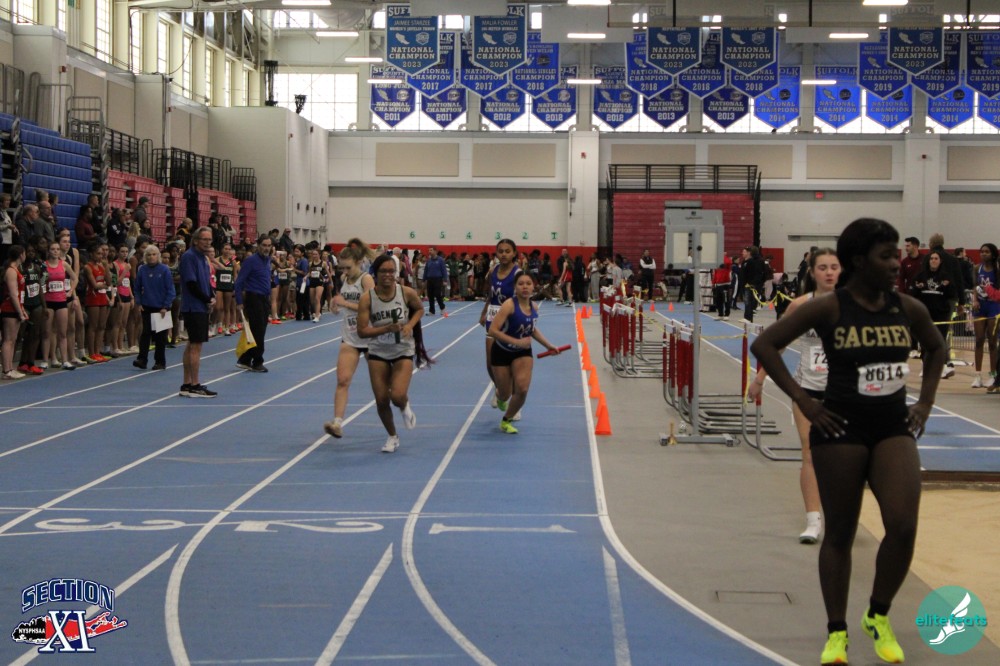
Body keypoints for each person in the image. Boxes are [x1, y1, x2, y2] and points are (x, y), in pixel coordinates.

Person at [751, 218, 945, 666]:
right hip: (840, 429)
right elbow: (765, 345)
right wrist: (805, 400)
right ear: (859, 260)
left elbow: (936, 349)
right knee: (840, 533)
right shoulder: (829, 309)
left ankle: (877, 614)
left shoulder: (907, 308)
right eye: (886, 256)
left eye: (897, 255)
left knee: (903, 526)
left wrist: (926, 402)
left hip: (892, 426)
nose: (896, 263)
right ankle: (836, 632)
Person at [748, 248, 841, 544]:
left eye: (834, 267)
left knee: (842, 456)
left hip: (843, 392)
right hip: (807, 390)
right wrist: (760, 378)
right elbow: (778, 344)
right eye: (823, 267)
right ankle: (813, 520)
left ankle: (840, 516)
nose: (829, 272)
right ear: (812, 273)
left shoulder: (853, 305)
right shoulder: (800, 306)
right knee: (810, 452)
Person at [356, 254, 429, 453]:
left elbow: (419, 309)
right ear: (375, 273)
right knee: (381, 399)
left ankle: (404, 405)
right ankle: (392, 436)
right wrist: (386, 329)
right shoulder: (367, 298)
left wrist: (410, 325)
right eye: (383, 271)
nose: (388, 275)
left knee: (397, 395)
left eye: (391, 271)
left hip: (402, 350)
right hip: (378, 351)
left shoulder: (405, 292)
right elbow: (362, 331)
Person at [488, 272, 562, 433]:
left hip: (522, 352)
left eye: (528, 283)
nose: (525, 287)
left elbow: (531, 330)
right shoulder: (509, 305)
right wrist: (517, 342)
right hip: (501, 351)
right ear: (515, 287)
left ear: (534, 286)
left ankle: (506, 421)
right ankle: (500, 395)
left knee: (522, 389)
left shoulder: (534, 307)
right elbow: (492, 330)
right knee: (505, 394)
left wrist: (548, 345)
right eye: (521, 284)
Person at [324, 241, 376, 438]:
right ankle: (337, 423)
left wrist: (345, 303)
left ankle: (401, 405)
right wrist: (335, 304)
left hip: (370, 337)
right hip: (350, 337)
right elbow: (342, 300)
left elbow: (371, 307)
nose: (345, 271)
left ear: (358, 262)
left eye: (348, 267)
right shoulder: (344, 278)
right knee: (342, 380)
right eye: (342, 268)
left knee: (381, 387)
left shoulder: (366, 279)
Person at [480, 239, 522, 408]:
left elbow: (523, 298)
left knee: (510, 364)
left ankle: (513, 402)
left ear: (514, 253)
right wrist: (484, 312)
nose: (503, 254)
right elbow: (491, 295)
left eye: (507, 251)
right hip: (493, 318)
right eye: (500, 251)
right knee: (491, 363)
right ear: (496, 253)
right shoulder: (493, 271)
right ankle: (500, 390)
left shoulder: (518, 273)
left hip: (510, 320)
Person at [179, 227, 217, 397]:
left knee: (191, 344)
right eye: (204, 239)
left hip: (200, 306)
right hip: (193, 307)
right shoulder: (189, 257)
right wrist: (206, 299)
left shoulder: (203, 258)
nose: (208, 242)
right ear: (195, 240)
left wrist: (211, 296)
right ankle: (194, 384)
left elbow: (205, 282)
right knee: (196, 346)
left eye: (209, 239)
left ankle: (187, 384)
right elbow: (191, 284)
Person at [233, 234, 274, 373]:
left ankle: (245, 359)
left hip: (264, 299)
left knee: (259, 330)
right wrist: (239, 301)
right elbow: (239, 282)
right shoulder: (250, 261)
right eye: (264, 245)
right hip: (254, 298)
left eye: (269, 246)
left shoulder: (268, 260)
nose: (266, 248)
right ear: (258, 246)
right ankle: (257, 362)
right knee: (258, 331)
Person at [133, 244, 175, 370]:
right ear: (145, 257)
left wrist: (165, 306)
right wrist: (139, 302)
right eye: (149, 255)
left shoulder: (164, 270)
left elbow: (171, 290)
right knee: (145, 333)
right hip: (146, 306)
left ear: (158, 256)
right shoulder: (142, 269)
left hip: (161, 308)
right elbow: (137, 288)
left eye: (154, 254)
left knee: (160, 336)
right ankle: (142, 359)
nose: (151, 257)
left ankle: (160, 362)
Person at [43, 240, 76, 370]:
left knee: (62, 332)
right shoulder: (44, 265)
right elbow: (41, 283)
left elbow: (74, 277)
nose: (56, 251)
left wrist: (70, 291)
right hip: (48, 301)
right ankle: (45, 360)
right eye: (53, 249)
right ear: (48, 251)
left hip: (61, 301)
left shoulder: (64, 264)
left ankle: (65, 360)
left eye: (57, 249)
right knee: (47, 332)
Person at [971, 243, 1000, 390]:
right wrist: (975, 300)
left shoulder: (997, 270)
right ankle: (977, 375)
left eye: (987, 252)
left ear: (993, 254)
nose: (983, 254)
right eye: (982, 251)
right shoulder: (977, 268)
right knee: (979, 340)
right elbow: (975, 286)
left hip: (993, 305)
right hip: (980, 306)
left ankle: (993, 375)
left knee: (992, 341)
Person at [1, 245, 29, 379]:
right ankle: (6, 370)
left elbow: (19, 294)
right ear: (21, 255)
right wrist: (19, 312)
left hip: (16, 307)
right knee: (8, 340)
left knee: (13, 339)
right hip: (9, 309)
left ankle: (10, 367)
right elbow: (13, 294)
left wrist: (22, 309)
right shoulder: (11, 271)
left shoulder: (17, 269)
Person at [741, 246, 766, 322]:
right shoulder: (759, 261)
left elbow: (747, 273)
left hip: (752, 284)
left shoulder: (752, 262)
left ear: (751, 253)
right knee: (750, 301)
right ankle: (748, 316)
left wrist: (746, 283)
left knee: (749, 300)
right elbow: (764, 273)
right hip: (754, 284)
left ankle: (748, 317)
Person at [423, 246, 448, 315]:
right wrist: (424, 279)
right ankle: (432, 311)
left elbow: (444, 270)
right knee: (430, 295)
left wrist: (445, 280)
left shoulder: (440, 260)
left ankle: (442, 308)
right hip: (430, 279)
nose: (429, 252)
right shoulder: (428, 261)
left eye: (431, 250)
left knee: (437, 294)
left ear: (435, 251)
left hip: (438, 279)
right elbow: (426, 270)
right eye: (429, 250)